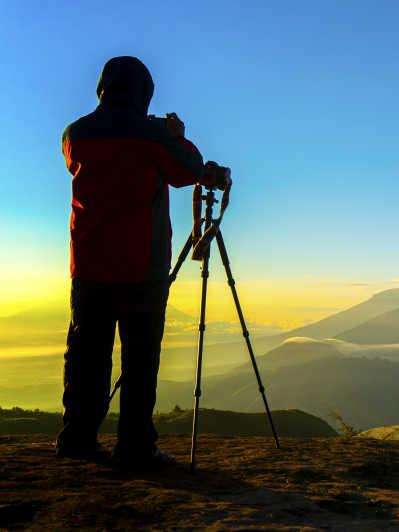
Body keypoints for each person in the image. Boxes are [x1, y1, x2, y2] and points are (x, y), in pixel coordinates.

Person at [57, 56, 227, 468]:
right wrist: (177, 135)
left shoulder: (75, 134)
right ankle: (134, 447)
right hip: (141, 266)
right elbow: (188, 171)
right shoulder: (151, 135)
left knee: (86, 354)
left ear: (102, 88)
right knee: (140, 356)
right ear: (144, 92)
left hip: (89, 265)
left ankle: (77, 439)